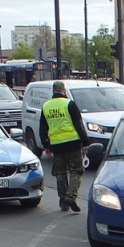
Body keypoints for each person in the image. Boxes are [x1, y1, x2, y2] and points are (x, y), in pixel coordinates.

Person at [40, 81, 90, 212]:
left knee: (60, 173)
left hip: (56, 145)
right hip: (73, 143)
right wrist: (85, 142)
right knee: (76, 171)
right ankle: (71, 197)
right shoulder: (70, 104)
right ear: (64, 90)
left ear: (53, 91)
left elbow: (43, 128)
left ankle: (63, 202)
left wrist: (46, 144)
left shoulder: (46, 106)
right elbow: (79, 124)